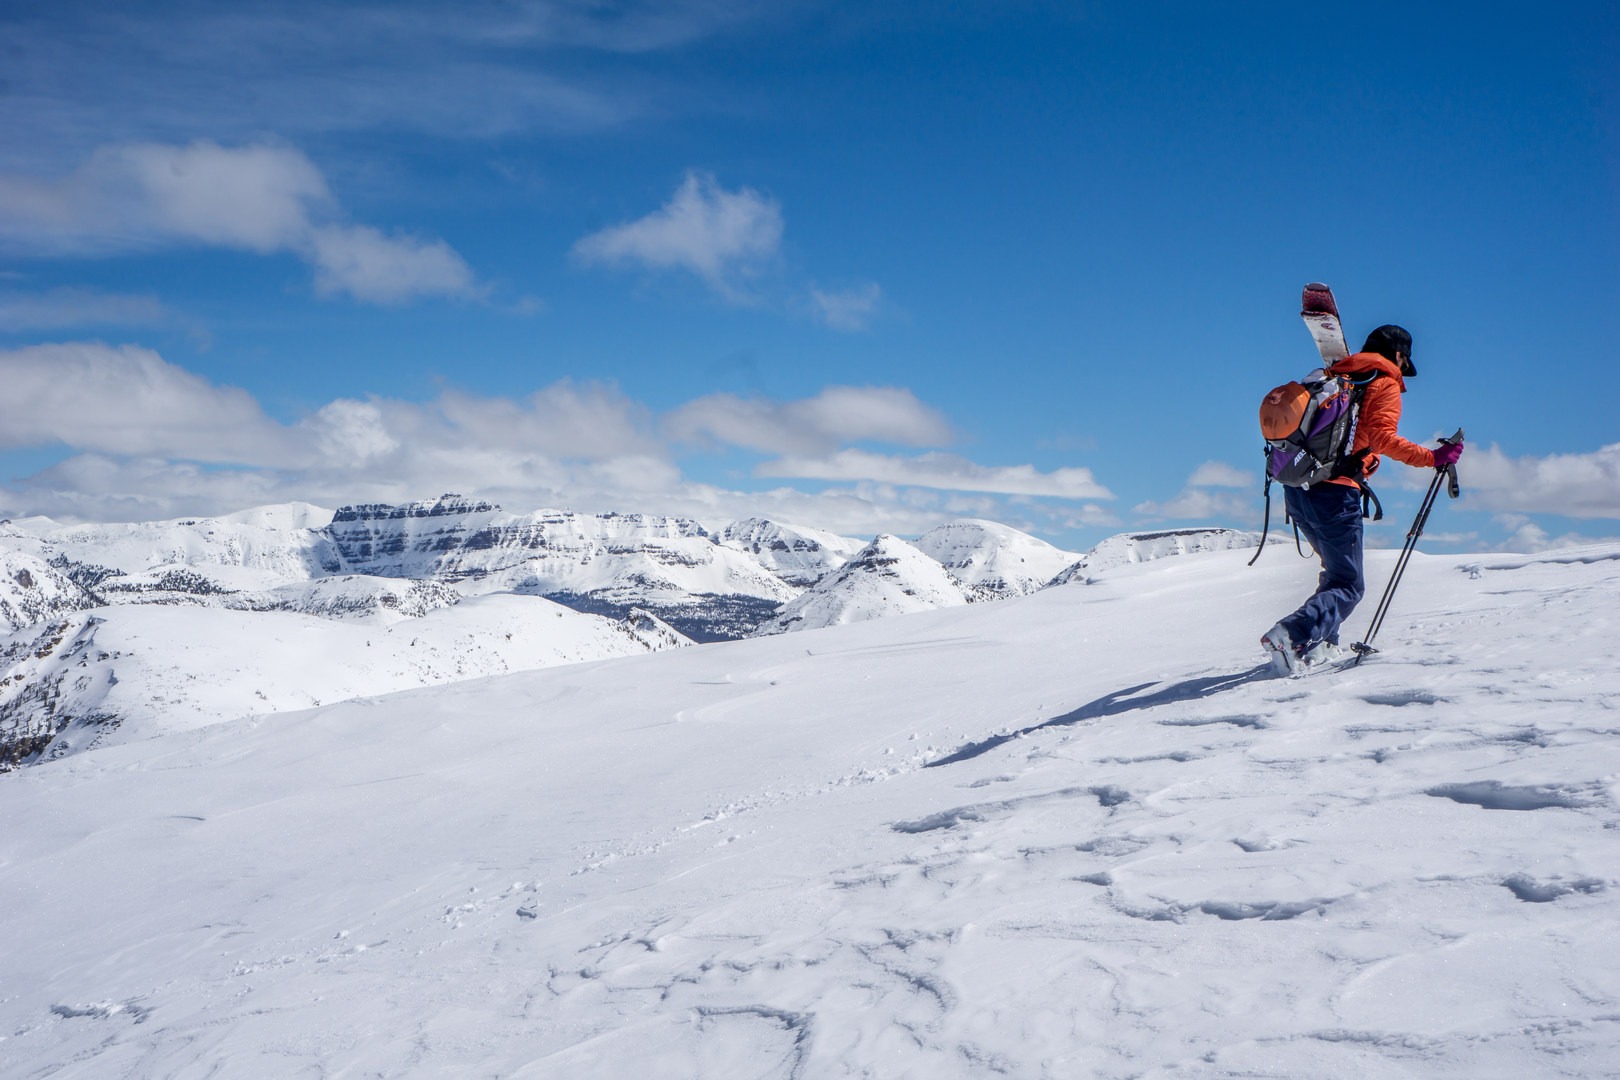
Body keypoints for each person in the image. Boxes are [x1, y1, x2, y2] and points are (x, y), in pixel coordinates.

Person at [1261, 325, 1464, 674]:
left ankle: (1324, 643)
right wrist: (1433, 458)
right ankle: (1291, 634)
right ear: (1398, 355)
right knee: (1348, 584)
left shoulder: (1332, 376)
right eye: (1404, 362)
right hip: (1336, 494)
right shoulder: (1383, 383)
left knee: (1337, 575)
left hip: (1297, 489)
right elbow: (1383, 438)